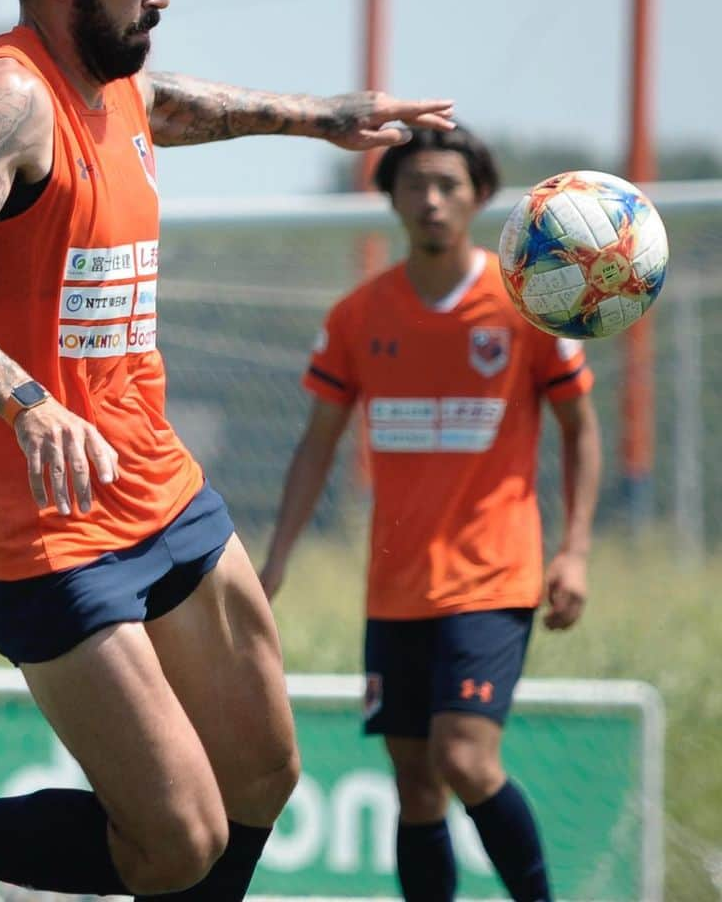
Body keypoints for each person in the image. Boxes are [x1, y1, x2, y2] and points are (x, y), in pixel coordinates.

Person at [0, 0, 455, 902]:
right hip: (42, 528)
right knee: (178, 840)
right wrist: (28, 401)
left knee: (263, 774)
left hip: (157, 486)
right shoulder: (8, 98)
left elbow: (172, 103)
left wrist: (320, 116)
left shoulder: (112, 82)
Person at [259, 123, 601, 902]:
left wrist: (574, 550)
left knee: (465, 759)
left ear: (480, 197)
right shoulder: (358, 317)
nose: (433, 200)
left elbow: (581, 429)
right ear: (392, 199)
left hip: (493, 574)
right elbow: (316, 446)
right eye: (415, 185)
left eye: (449, 184)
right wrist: (276, 556)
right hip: (396, 585)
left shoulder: (528, 304)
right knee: (415, 785)